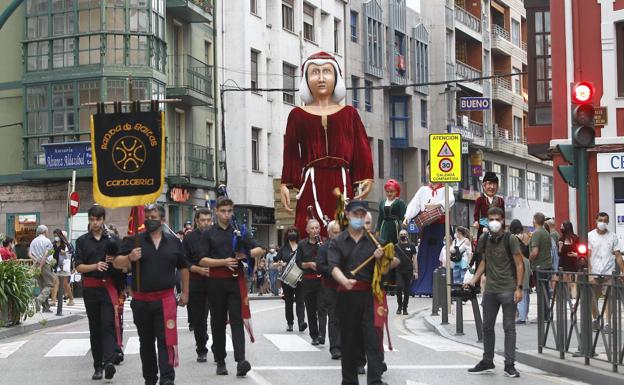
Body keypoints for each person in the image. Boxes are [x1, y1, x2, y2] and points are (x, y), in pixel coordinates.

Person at [280, 51, 374, 238]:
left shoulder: (349, 113)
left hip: (341, 181)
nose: (321, 78)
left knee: (347, 229)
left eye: (327, 72)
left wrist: (366, 176)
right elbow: (291, 152)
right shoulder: (297, 115)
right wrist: (286, 182)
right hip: (312, 180)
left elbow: (361, 147)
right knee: (309, 226)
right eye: (315, 72)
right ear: (306, 79)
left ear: (336, 77)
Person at [114, 204, 189, 385]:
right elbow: (116, 263)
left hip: (165, 301)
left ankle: (167, 378)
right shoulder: (134, 241)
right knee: (146, 343)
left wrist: (185, 292)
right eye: (146, 216)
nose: (149, 220)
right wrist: (129, 258)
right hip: (142, 302)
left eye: (153, 217)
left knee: (166, 341)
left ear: (162, 220)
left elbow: (183, 267)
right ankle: (150, 378)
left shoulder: (173, 242)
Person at [328, 200, 399, 385]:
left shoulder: (376, 242)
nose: (359, 218)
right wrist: (344, 280)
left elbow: (387, 268)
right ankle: (349, 381)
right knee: (349, 342)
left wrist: (382, 258)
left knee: (373, 340)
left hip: (369, 296)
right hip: (346, 295)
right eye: (355, 215)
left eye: (362, 215)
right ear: (348, 215)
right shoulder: (338, 241)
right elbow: (333, 267)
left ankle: (375, 380)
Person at [197, 197, 264, 377]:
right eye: (223, 211)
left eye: (229, 211)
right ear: (216, 212)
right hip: (216, 283)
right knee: (218, 322)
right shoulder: (208, 233)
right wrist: (223, 261)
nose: (226, 215)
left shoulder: (239, 231)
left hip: (235, 282)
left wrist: (245, 254)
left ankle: (241, 361)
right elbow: (202, 259)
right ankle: (220, 360)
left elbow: (260, 249)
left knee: (237, 320)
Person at [464, 207, 524, 377]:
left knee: (509, 328)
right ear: (487, 221)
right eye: (491, 219)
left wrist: (519, 288)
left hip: (508, 289)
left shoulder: (510, 239)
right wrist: (474, 280)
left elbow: (519, 264)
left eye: (497, 219)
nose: (494, 222)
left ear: (503, 221)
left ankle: (509, 364)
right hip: (490, 290)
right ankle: (487, 361)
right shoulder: (484, 238)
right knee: (487, 327)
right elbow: (484, 261)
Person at [75, 206, 123, 381]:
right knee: (95, 328)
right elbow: (78, 266)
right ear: (89, 219)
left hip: (108, 287)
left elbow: (123, 265)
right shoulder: (81, 241)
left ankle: (109, 362)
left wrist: (114, 261)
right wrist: (96, 266)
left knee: (108, 324)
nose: (95, 223)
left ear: (103, 220)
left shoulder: (113, 240)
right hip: (90, 288)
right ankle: (98, 366)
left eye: (98, 219)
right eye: (92, 219)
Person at [404, 163, 455, 296]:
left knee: (443, 256)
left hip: (442, 228)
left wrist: (437, 205)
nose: (431, 171)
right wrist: (407, 217)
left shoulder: (446, 188)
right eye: (429, 168)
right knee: (424, 255)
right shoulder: (423, 190)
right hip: (427, 228)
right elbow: (414, 204)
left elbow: (451, 200)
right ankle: (423, 286)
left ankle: (444, 287)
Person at [182, 207, 212, 363]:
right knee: (198, 318)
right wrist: (198, 269)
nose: (206, 223)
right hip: (196, 282)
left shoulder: (216, 235)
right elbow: (184, 260)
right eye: (202, 220)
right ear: (196, 221)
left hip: (215, 282)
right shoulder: (189, 238)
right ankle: (201, 349)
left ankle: (217, 346)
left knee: (216, 316)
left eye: (208, 220)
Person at [588, 212, 624, 331]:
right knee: (593, 297)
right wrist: (589, 273)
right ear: (596, 220)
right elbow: (587, 255)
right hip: (594, 271)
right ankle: (596, 319)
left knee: (609, 297)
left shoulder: (612, 236)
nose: (602, 222)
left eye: (605, 220)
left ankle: (608, 323)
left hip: (608, 272)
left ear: (608, 222)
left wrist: (623, 270)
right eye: (600, 220)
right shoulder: (590, 236)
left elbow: (618, 255)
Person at [296, 219, 325, 345]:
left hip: (322, 281)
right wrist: (308, 264)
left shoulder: (324, 242)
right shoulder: (302, 244)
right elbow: (298, 263)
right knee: (311, 309)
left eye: (317, 228)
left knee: (322, 309)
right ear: (307, 230)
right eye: (312, 228)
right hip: (308, 282)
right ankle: (314, 335)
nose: (315, 231)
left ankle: (322, 335)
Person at [317, 220, 343, 359]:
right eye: (335, 232)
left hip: (345, 286)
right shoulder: (323, 248)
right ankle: (335, 348)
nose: (337, 235)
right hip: (330, 287)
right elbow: (320, 266)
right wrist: (333, 270)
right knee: (333, 317)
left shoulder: (346, 246)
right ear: (329, 233)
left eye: (339, 232)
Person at [274, 226, 307, 332]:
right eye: (290, 232)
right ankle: (290, 323)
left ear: (297, 234)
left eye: (294, 231)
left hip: (300, 279)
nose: (292, 233)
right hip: (287, 279)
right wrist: (279, 264)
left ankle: (301, 322)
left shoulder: (301, 246)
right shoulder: (283, 248)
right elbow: (274, 263)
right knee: (288, 302)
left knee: (300, 301)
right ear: (287, 235)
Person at [471, 172, 505, 274]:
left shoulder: (500, 201)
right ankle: (478, 281)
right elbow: (476, 214)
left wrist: (502, 229)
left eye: (494, 184)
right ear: (484, 185)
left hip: (497, 231)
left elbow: (503, 216)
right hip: (483, 230)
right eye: (489, 184)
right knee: (481, 254)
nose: (491, 187)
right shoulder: (480, 200)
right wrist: (476, 222)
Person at [509, 220, 531, 325]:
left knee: (519, 289)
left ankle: (521, 317)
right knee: (526, 291)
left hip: (518, 262)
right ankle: (524, 315)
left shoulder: (512, 238)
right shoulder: (526, 236)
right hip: (526, 262)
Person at [29, 225, 54, 312]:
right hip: (46, 264)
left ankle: (45, 308)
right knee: (49, 285)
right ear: (44, 231)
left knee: (41, 286)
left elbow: (30, 254)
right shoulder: (47, 241)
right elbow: (46, 255)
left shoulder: (33, 241)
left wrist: (37, 261)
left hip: (36, 264)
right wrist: (41, 265)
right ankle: (38, 300)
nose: (47, 232)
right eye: (47, 231)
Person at [375, 179, 407, 245]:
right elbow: (380, 217)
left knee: (394, 246)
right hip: (384, 227)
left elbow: (404, 219)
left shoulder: (400, 203)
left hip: (395, 227)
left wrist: (404, 231)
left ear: (396, 192)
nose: (389, 193)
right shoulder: (382, 202)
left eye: (391, 191)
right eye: (387, 192)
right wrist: (377, 230)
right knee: (383, 244)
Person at [394, 230, 418, 315]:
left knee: (407, 290)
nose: (403, 236)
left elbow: (414, 259)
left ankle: (405, 308)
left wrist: (416, 271)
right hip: (399, 270)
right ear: (399, 236)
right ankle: (399, 306)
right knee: (399, 287)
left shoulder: (411, 246)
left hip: (408, 270)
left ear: (407, 235)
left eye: (404, 234)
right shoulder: (396, 246)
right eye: (401, 234)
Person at [50, 229, 75, 307]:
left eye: (56, 235)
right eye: (54, 236)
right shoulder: (53, 244)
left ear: (60, 235)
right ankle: (53, 300)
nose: (55, 237)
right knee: (55, 283)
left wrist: (65, 253)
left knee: (65, 284)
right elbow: (50, 253)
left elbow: (72, 254)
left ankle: (71, 299)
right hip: (55, 265)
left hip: (64, 266)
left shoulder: (66, 244)